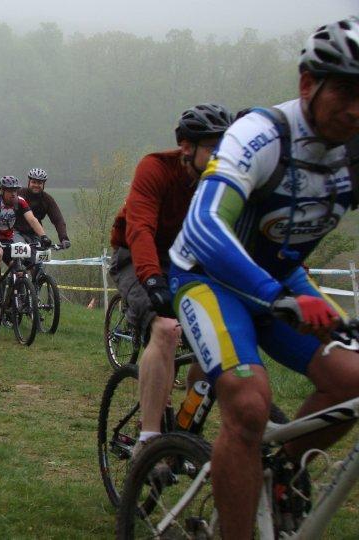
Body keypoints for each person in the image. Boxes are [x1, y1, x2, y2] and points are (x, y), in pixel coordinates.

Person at [168, 18, 359, 538]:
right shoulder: (260, 135)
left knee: (352, 382)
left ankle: (281, 471)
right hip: (208, 277)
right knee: (249, 406)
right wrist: (276, 296)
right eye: (345, 90)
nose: (355, 108)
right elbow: (205, 226)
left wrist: (285, 293)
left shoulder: (353, 152)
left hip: (280, 281)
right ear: (307, 84)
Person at [108, 103, 233, 455]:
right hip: (136, 254)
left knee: (213, 340)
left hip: (188, 260)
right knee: (165, 328)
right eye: (213, 147)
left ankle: (186, 425)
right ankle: (149, 442)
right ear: (186, 147)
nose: (221, 156)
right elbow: (141, 229)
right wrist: (151, 280)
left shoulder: (226, 180)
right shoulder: (156, 168)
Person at [0, 175, 52, 303]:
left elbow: (32, 219)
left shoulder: (20, 201)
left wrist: (43, 236)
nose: (13, 194)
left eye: (15, 191)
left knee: (19, 270)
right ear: (2, 191)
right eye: (10, 191)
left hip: (8, 239)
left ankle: (13, 302)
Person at [0, 167, 70, 248]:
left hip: (35, 232)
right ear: (29, 182)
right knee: (21, 255)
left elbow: (58, 220)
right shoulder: (18, 193)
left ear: (44, 184)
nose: (36, 185)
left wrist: (64, 238)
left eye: (39, 183)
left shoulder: (47, 199)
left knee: (38, 263)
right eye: (34, 182)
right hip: (16, 231)